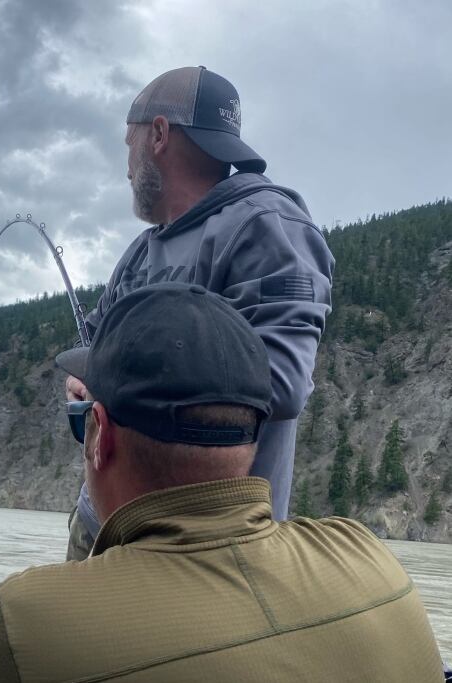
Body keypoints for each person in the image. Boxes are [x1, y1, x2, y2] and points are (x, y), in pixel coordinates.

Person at [0, 283, 444, 682]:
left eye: (82, 425)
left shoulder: (24, 624)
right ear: (256, 430)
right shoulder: (366, 555)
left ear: (100, 436)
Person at [65, 66, 335, 560]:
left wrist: (123, 381)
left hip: (208, 548)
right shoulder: (140, 253)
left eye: (130, 144)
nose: (127, 166)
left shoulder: (268, 227)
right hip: (101, 525)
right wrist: (85, 381)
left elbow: (282, 383)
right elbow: (92, 349)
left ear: (160, 135)